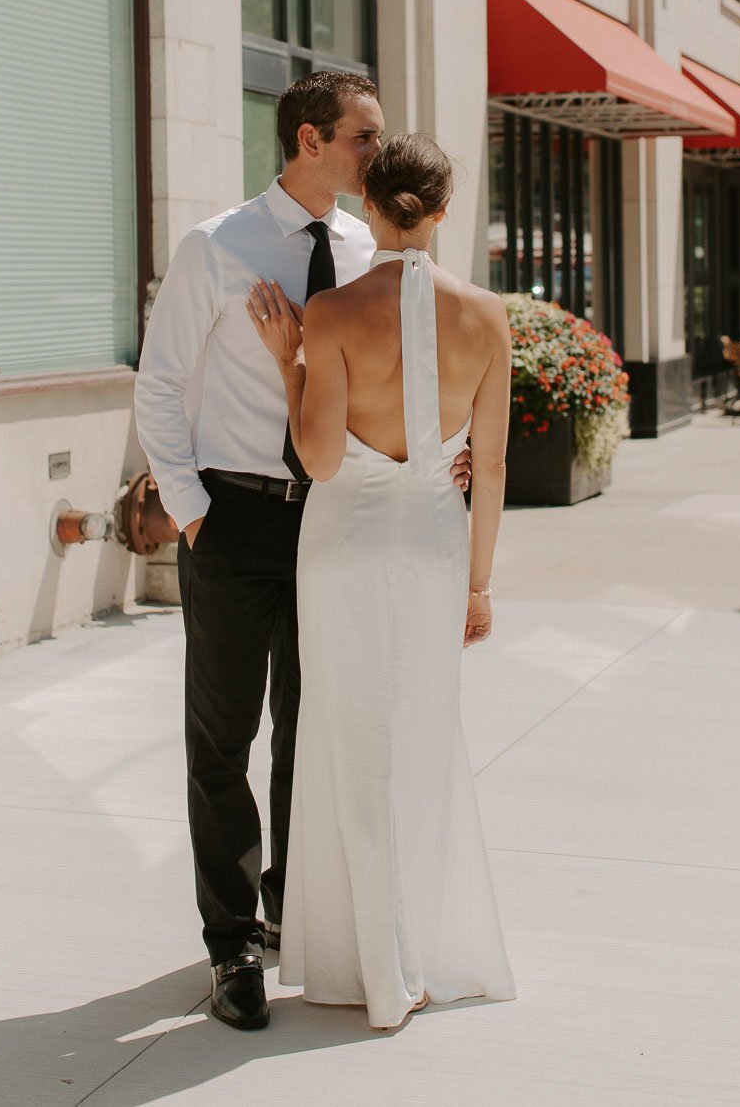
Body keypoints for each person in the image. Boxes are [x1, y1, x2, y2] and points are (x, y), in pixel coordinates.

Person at [133, 75, 470, 1032]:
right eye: (367, 139)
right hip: (234, 520)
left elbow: (405, 375)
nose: (380, 153)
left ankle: (293, 904)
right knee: (224, 738)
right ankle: (231, 942)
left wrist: (453, 451)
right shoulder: (217, 245)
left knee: (313, 730)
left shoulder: (371, 248)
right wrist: (193, 509)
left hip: (337, 521)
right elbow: (158, 385)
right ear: (311, 139)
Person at [247, 132, 516, 1030]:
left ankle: (372, 962)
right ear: (442, 211)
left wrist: (291, 366)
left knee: (345, 737)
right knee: (421, 734)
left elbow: (320, 460)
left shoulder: (329, 314)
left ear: (369, 205)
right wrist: (480, 585)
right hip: (435, 544)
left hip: (344, 544)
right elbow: (497, 467)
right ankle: (417, 953)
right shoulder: (486, 316)